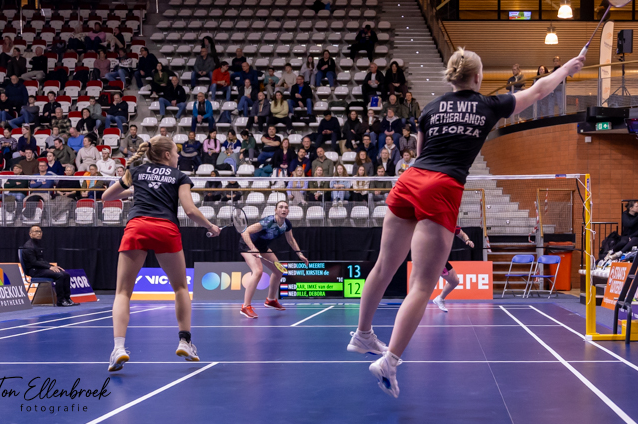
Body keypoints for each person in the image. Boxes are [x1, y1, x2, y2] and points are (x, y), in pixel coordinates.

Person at [348, 47, 583, 397]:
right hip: (442, 186)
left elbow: (421, 151)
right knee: (423, 285)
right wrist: (567, 68)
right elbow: (538, 91)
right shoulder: (489, 105)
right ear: (478, 77)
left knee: (384, 265)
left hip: (409, 181)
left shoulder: (430, 107)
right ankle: (389, 362)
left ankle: (362, 333)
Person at [102, 136, 221, 371]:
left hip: (137, 227)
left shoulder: (136, 171)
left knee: (123, 292)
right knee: (180, 288)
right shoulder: (179, 176)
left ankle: (118, 348)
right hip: (166, 229)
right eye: (176, 153)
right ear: (167, 155)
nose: (178, 157)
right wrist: (211, 226)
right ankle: (185, 342)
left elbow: (107, 197)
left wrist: (137, 191)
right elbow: (190, 210)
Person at [238, 201, 308, 318]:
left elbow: (291, 240)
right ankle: (245, 307)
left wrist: (299, 254)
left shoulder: (286, 224)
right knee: (258, 271)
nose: (283, 209)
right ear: (276, 210)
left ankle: (270, 300)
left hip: (262, 247)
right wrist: (253, 248)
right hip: (247, 245)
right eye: (281, 207)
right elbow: (245, 232)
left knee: (278, 270)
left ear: (288, 211)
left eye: (286, 207)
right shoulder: (268, 221)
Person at [21, 227, 78, 307]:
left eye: (40, 231)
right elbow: (34, 262)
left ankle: (67, 298)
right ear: (30, 234)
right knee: (60, 275)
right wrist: (49, 267)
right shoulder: (28, 247)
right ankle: (60, 301)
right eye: (36, 231)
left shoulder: (37, 245)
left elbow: (41, 261)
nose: (39, 233)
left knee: (66, 274)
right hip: (34, 270)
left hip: (40, 269)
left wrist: (53, 266)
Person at [431, 227, 475, 313]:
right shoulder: (432, 223)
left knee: (454, 281)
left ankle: (440, 299)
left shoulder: (452, 224)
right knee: (424, 287)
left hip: (441, 259)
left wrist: (468, 240)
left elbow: (462, 234)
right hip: (430, 257)